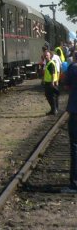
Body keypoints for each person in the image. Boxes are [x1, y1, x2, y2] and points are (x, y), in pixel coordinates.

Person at [63, 51, 77, 193]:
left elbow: (66, 86)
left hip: (75, 111)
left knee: (75, 146)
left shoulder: (73, 68)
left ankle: (74, 183)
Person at [43, 49, 60, 115]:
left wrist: (52, 82)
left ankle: (54, 110)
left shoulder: (51, 63)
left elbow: (53, 73)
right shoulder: (48, 63)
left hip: (51, 83)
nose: (46, 56)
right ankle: (53, 109)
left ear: (50, 56)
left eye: (47, 55)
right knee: (49, 96)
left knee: (51, 97)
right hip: (48, 82)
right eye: (45, 55)